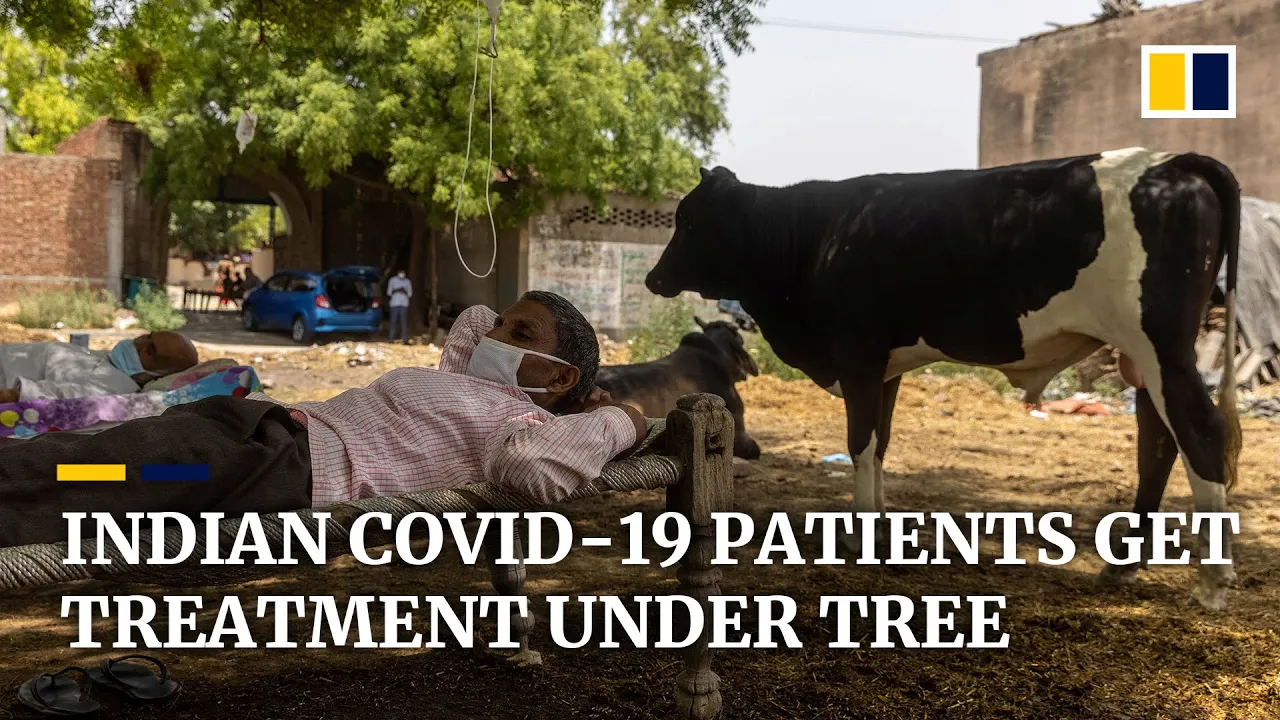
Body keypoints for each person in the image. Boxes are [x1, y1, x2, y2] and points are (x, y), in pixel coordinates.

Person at [0, 291, 647, 548]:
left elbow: (532, 468)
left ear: (560, 378)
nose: (495, 334)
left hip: (278, 465)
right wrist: (505, 326)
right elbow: (471, 322)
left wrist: (625, 416)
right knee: (103, 455)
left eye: (519, 333)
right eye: (502, 324)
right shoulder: (463, 384)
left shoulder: (524, 430)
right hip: (259, 427)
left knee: (113, 473)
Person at [0, 332, 200, 403]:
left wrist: (10, 395)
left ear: (159, 374)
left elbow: (46, 397)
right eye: (147, 336)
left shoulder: (113, 387)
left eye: (151, 350)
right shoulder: (109, 360)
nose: (139, 342)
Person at [387, 268, 412, 344]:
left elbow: (410, 294)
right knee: (393, 321)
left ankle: (404, 340)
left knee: (404, 322)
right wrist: (396, 290)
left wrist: (404, 291)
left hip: (404, 304)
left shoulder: (407, 281)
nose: (402, 274)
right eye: (401, 272)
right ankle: (391, 339)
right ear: (398, 272)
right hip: (394, 303)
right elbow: (389, 292)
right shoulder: (392, 280)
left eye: (403, 272)